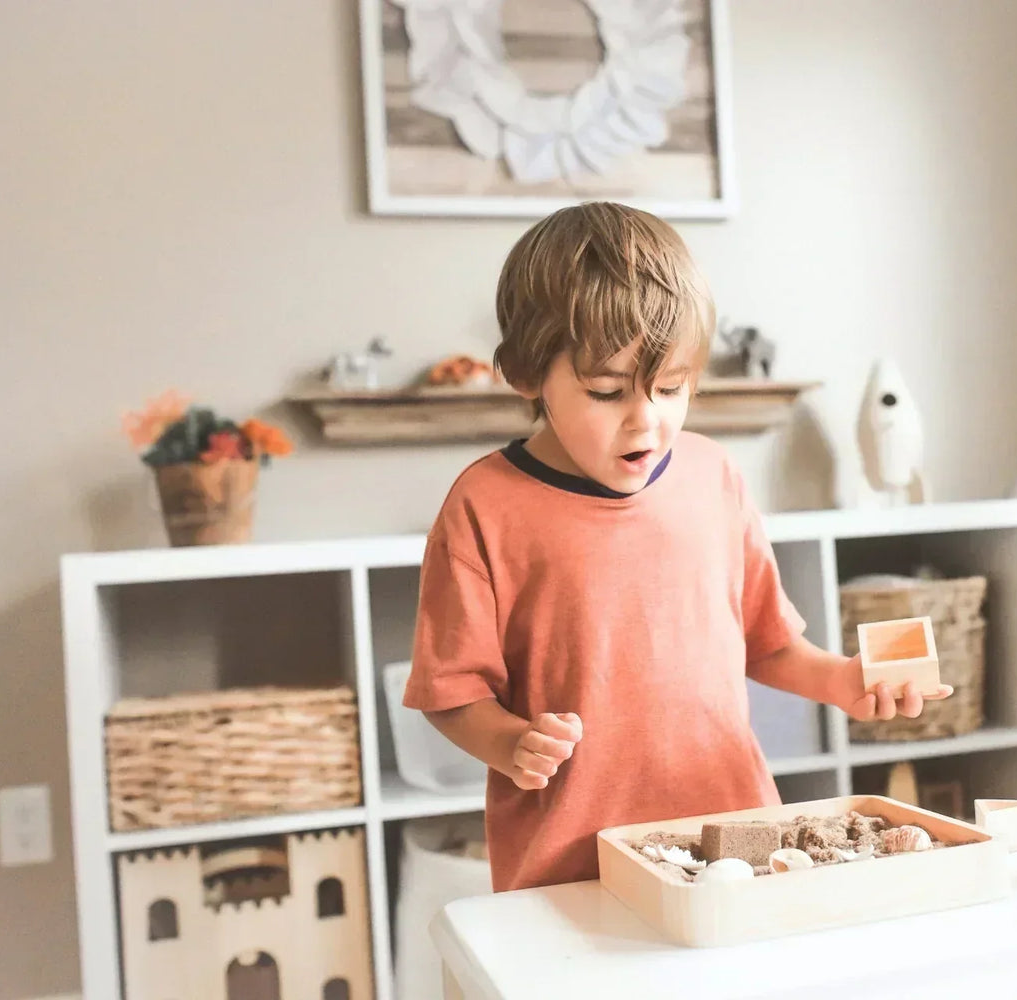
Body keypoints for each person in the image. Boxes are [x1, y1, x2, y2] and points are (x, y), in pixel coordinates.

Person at [403, 201, 950, 892]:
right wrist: (511, 744)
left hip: (735, 841)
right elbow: (450, 691)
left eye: (670, 388)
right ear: (526, 374)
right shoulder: (484, 506)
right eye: (606, 392)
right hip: (571, 864)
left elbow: (766, 643)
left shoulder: (713, 475)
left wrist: (842, 682)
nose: (646, 420)